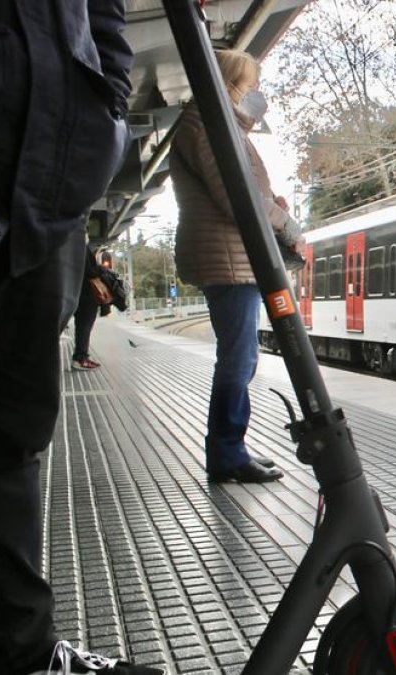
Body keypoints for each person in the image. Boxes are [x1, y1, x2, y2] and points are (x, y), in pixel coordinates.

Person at [0, 1, 163, 674]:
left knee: (14, 432)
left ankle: (22, 651)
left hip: (46, 192)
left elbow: (103, 25)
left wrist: (102, 118)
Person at [171, 49, 300, 484]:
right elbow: (235, 196)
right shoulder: (206, 124)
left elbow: (243, 187)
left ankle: (233, 447)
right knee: (238, 358)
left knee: (240, 357)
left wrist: (274, 206)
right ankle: (227, 454)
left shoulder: (218, 124)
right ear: (229, 83)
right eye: (247, 84)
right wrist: (285, 221)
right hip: (226, 256)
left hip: (233, 255)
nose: (253, 92)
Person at [71, 249, 106, 371]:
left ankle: (81, 357)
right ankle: (80, 359)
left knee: (81, 327)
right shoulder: (81, 247)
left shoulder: (69, 247)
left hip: (75, 292)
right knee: (84, 327)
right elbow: (91, 272)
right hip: (86, 295)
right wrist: (101, 269)